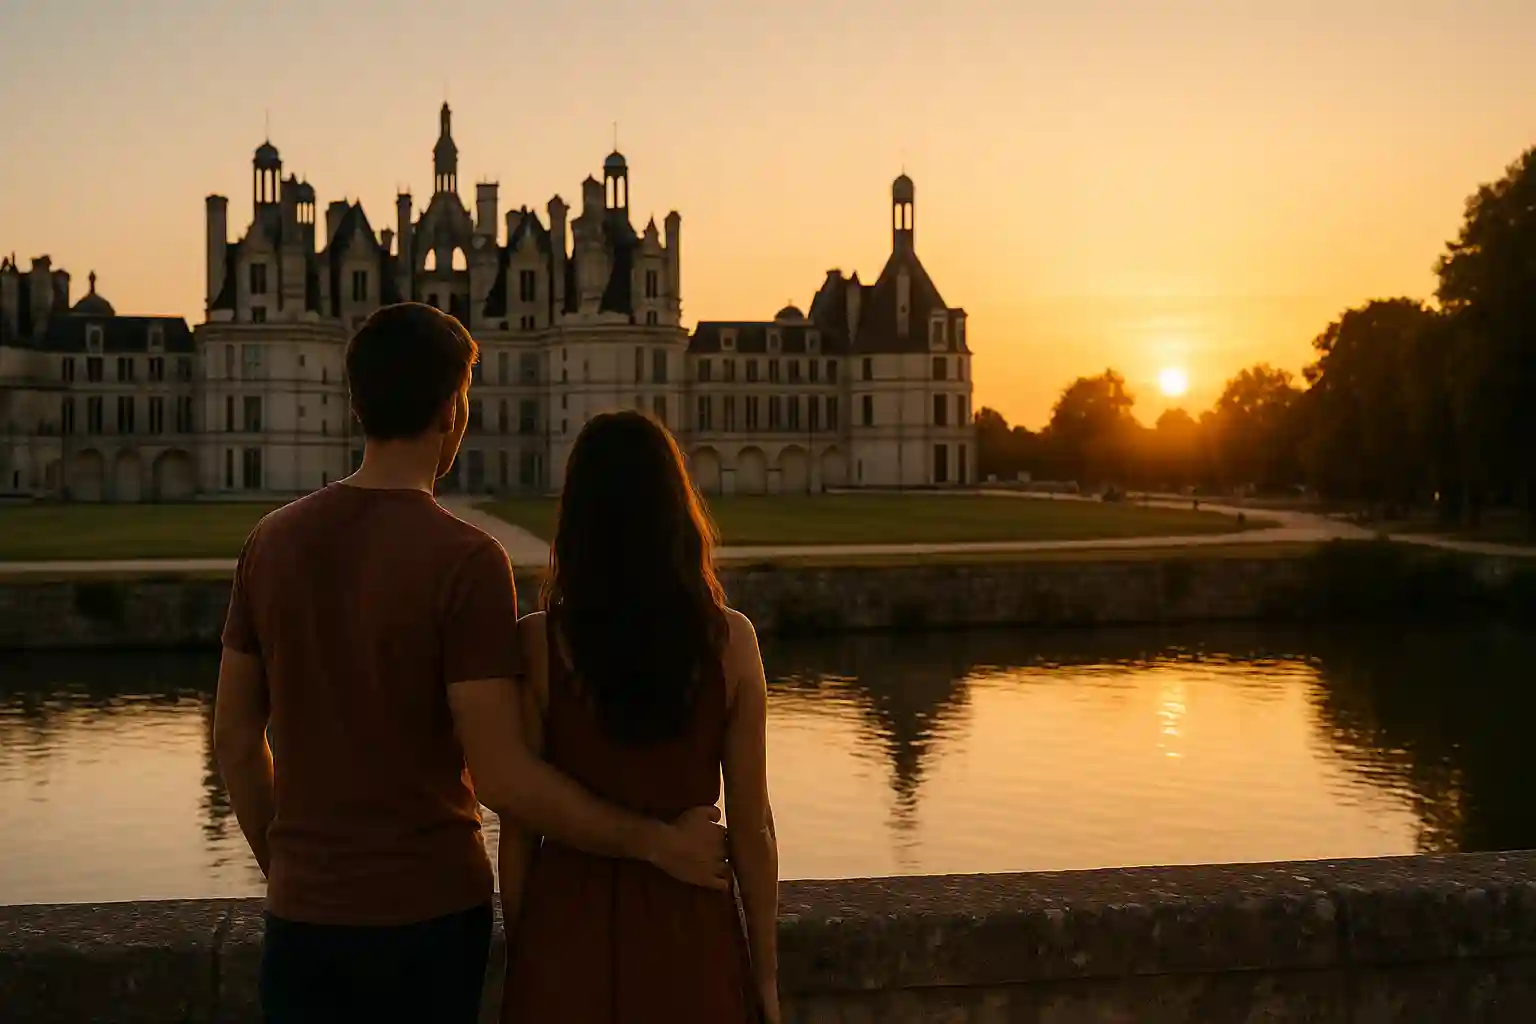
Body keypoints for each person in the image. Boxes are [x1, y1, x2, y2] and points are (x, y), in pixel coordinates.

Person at [212, 303, 729, 1024]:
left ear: (355, 404)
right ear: (454, 411)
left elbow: (235, 743)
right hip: (427, 916)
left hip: (304, 920)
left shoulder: (270, 543)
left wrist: (294, 870)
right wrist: (656, 843)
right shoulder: (466, 561)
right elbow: (502, 776)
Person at [500, 411, 780, 1024]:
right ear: (677, 513)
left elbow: (518, 834)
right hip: (690, 929)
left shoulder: (537, 646)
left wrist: (525, 957)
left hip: (566, 931)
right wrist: (765, 979)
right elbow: (753, 829)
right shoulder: (732, 643)